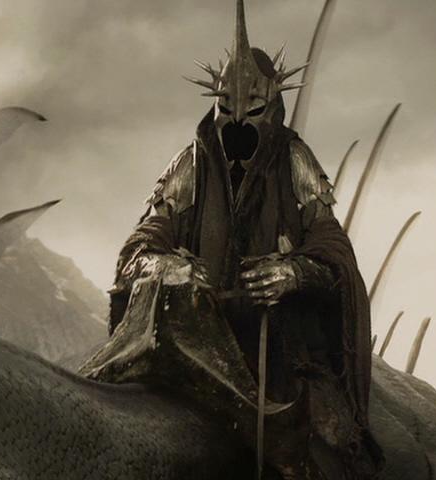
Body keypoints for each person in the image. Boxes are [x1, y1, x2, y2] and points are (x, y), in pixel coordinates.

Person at [81, 1, 383, 478]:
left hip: (279, 350)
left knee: (330, 451)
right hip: (198, 342)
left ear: (272, 107)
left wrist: (295, 272)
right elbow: (141, 245)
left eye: (253, 110)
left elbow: (333, 250)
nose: (237, 124)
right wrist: (163, 265)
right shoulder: (189, 165)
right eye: (225, 108)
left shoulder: (296, 161)